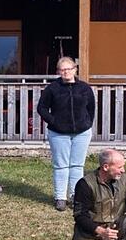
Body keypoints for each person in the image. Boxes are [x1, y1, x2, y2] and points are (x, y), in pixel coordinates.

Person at [37, 56, 95, 211]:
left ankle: (76, 196)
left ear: (75, 69)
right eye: (62, 70)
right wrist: (54, 121)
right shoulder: (52, 89)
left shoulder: (84, 88)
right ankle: (60, 197)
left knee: (77, 165)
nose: (65, 72)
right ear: (58, 72)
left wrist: (87, 123)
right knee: (61, 166)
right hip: (58, 133)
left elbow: (91, 108)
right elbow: (41, 108)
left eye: (68, 69)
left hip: (82, 132)